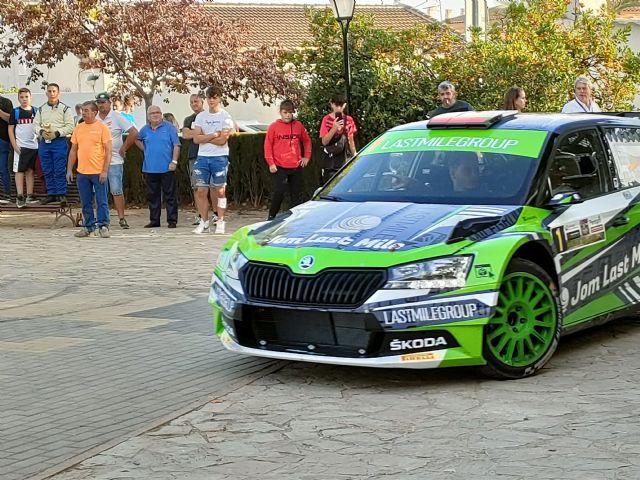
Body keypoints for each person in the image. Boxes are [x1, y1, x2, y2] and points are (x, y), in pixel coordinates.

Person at [191, 85, 235, 235]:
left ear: (219, 98)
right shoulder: (201, 117)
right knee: (201, 190)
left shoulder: (225, 117)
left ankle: (220, 220)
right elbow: (196, 139)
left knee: (220, 190)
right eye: (209, 97)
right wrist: (213, 135)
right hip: (203, 157)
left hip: (219, 157)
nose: (211, 100)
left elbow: (223, 140)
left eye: (214, 97)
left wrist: (206, 137)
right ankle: (204, 221)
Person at [67, 101, 112, 238]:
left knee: (101, 200)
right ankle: (88, 226)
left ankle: (103, 225)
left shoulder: (102, 128)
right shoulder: (78, 128)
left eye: (87, 110)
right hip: (82, 172)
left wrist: (105, 170)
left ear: (94, 112)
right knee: (85, 201)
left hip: (98, 171)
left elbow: (108, 151)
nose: (84, 113)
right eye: (82, 110)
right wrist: (69, 169)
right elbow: (73, 150)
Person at [95, 92, 138, 229]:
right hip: (97, 160)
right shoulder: (94, 118)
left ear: (109, 102)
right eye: (99, 102)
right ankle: (100, 218)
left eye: (103, 102)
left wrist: (124, 148)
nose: (101, 105)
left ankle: (121, 218)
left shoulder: (117, 117)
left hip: (114, 159)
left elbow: (133, 132)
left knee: (116, 190)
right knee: (98, 191)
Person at [264, 99, 312, 220]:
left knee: (297, 194)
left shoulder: (298, 126)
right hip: (280, 166)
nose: (288, 115)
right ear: (280, 112)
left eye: (290, 112)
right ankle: (271, 216)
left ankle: (296, 218)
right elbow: (268, 145)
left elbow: (306, 140)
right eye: (285, 112)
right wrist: (271, 163)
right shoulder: (273, 127)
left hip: (296, 166)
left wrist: (307, 156)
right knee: (279, 192)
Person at [136, 105, 181, 228]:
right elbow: (137, 139)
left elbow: (176, 145)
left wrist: (174, 161)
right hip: (150, 168)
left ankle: (172, 220)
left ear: (161, 114)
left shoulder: (170, 128)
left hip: (167, 167)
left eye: (158, 112)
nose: (155, 115)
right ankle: (154, 220)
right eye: (152, 113)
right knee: (152, 196)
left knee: (170, 195)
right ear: (148, 116)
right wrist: (145, 149)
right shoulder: (145, 129)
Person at [33, 83, 75, 205]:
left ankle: (61, 194)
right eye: (49, 91)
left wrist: (57, 133)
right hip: (44, 143)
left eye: (54, 91)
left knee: (59, 169)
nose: (52, 94)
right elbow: (35, 124)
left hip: (59, 142)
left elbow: (70, 126)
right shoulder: (41, 109)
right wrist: (41, 131)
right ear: (46, 93)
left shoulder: (65, 109)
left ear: (58, 93)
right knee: (47, 169)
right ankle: (51, 193)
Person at [8, 88, 40, 207]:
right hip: (21, 146)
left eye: (26, 97)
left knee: (30, 171)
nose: (24, 99)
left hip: (34, 146)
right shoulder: (15, 112)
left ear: (30, 97)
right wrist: (15, 145)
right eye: (22, 97)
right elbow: (10, 129)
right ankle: (20, 196)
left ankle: (30, 195)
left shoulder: (36, 111)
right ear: (18, 98)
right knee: (19, 171)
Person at [181, 92, 209, 226]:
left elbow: (213, 132)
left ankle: (215, 214)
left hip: (210, 154)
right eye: (191, 102)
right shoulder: (188, 119)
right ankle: (200, 215)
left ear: (202, 102)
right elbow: (186, 135)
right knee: (197, 187)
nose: (194, 104)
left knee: (213, 187)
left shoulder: (209, 116)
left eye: (196, 101)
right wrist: (201, 133)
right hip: (194, 155)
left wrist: (197, 134)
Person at [319, 93, 358, 185]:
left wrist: (355, 155)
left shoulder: (349, 120)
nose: (339, 108)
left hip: (345, 159)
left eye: (341, 105)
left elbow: (351, 140)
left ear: (344, 105)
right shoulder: (326, 119)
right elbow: (324, 141)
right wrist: (334, 128)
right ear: (332, 104)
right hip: (331, 162)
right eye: (336, 105)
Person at [0, 92, 13, 204]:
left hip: (2, 139)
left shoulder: (6, 102)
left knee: (3, 168)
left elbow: (11, 119)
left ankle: (8, 194)